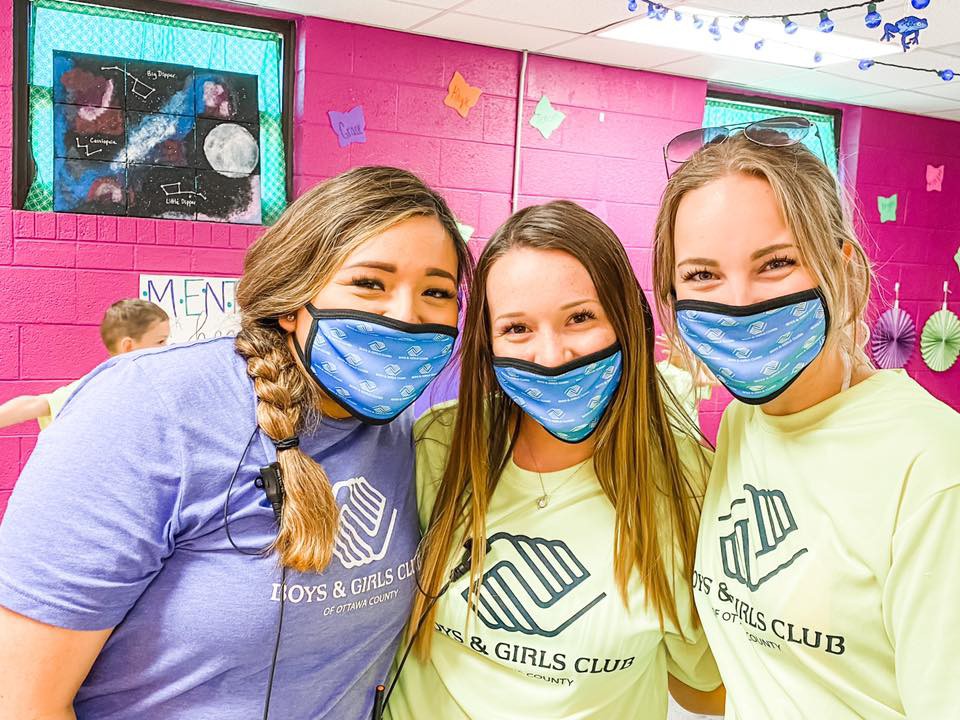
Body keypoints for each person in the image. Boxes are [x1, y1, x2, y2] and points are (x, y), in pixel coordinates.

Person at [0, 166, 472, 720]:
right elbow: (23, 700)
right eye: (370, 282)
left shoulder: (401, 433)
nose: (405, 315)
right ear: (293, 298)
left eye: (436, 292)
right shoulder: (148, 408)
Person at [652, 122, 960, 719]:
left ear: (841, 268)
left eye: (775, 262)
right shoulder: (748, 421)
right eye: (702, 274)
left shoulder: (933, 470)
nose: (738, 301)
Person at [386, 201, 724, 720]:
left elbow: (704, 687)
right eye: (517, 329)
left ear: (629, 321)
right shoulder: (439, 447)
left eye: (580, 318)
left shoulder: (690, 486)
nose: (550, 355)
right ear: (488, 344)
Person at [0, 299, 169, 430]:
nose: (166, 348)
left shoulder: (158, 383)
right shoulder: (102, 384)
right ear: (128, 346)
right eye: (160, 341)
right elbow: (38, 404)